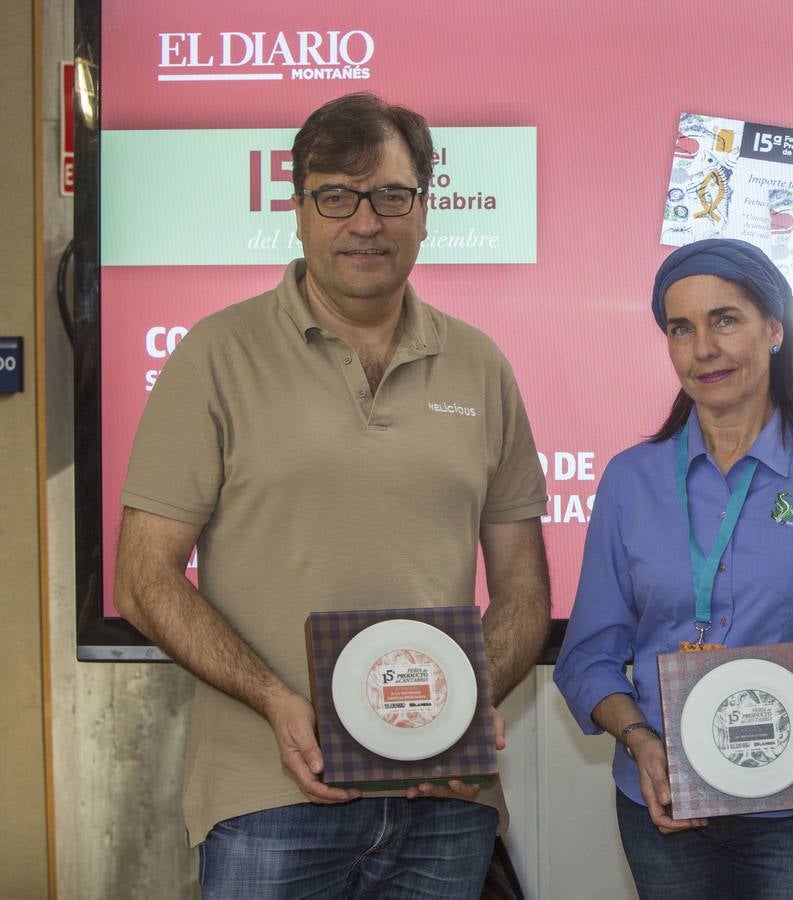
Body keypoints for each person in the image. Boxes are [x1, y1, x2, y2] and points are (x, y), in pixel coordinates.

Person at [113, 92, 550, 898]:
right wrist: (277, 702)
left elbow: (523, 587)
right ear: (299, 209)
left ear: (426, 208)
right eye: (336, 196)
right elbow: (142, 580)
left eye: (391, 195)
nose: (365, 222)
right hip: (270, 799)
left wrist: (466, 710)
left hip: (443, 805)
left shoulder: (481, 366)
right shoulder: (216, 354)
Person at [553, 238, 793, 899]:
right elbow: (587, 657)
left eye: (724, 319)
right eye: (681, 328)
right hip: (664, 803)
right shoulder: (628, 481)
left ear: (774, 328)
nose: (703, 349)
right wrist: (640, 742)